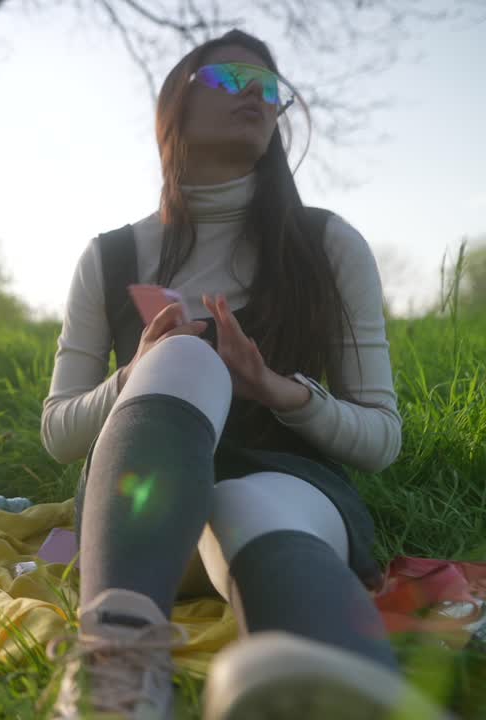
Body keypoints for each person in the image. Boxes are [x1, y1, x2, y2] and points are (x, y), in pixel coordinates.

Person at [39, 29, 447, 719]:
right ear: (175, 106)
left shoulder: (328, 245)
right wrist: (133, 374)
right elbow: (57, 431)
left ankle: (351, 692)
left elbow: (382, 438)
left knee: (247, 502)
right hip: (139, 520)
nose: (258, 96)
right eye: (232, 79)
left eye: (272, 90)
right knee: (181, 357)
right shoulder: (109, 258)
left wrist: (279, 392)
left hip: (291, 502)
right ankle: (117, 670)